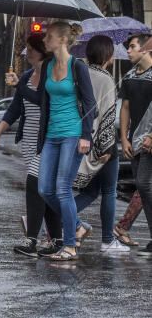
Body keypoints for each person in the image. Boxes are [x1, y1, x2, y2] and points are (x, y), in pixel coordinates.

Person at [18, 20, 96, 262]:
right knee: (44, 189)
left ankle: (70, 246)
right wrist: (18, 84)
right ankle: (79, 224)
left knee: (62, 189)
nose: (44, 40)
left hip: (72, 135)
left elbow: (90, 103)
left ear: (63, 39)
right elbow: (40, 98)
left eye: (49, 36)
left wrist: (86, 136)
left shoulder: (77, 67)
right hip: (50, 136)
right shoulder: (49, 65)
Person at [0, 32, 62, 257]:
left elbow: (41, 98)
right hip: (29, 141)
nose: (27, 51)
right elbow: (14, 110)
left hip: (48, 141)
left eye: (31, 48)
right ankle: (57, 239)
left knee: (34, 184)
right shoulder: (26, 76)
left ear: (43, 50)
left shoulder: (53, 75)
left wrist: (17, 87)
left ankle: (31, 240)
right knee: (45, 190)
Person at [70, 35, 129, 253]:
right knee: (109, 191)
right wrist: (106, 148)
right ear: (108, 55)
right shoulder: (106, 79)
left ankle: (60, 216)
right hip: (103, 145)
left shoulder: (78, 73)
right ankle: (106, 241)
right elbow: (106, 116)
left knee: (90, 192)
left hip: (79, 138)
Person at [119, 32, 152, 257]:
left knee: (143, 183)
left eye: (131, 47)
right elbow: (125, 108)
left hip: (149, 139)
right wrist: (124, 137)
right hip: (135, 141)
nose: (128, 51)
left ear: (145, 49)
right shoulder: (130, 76)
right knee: (143, 187)